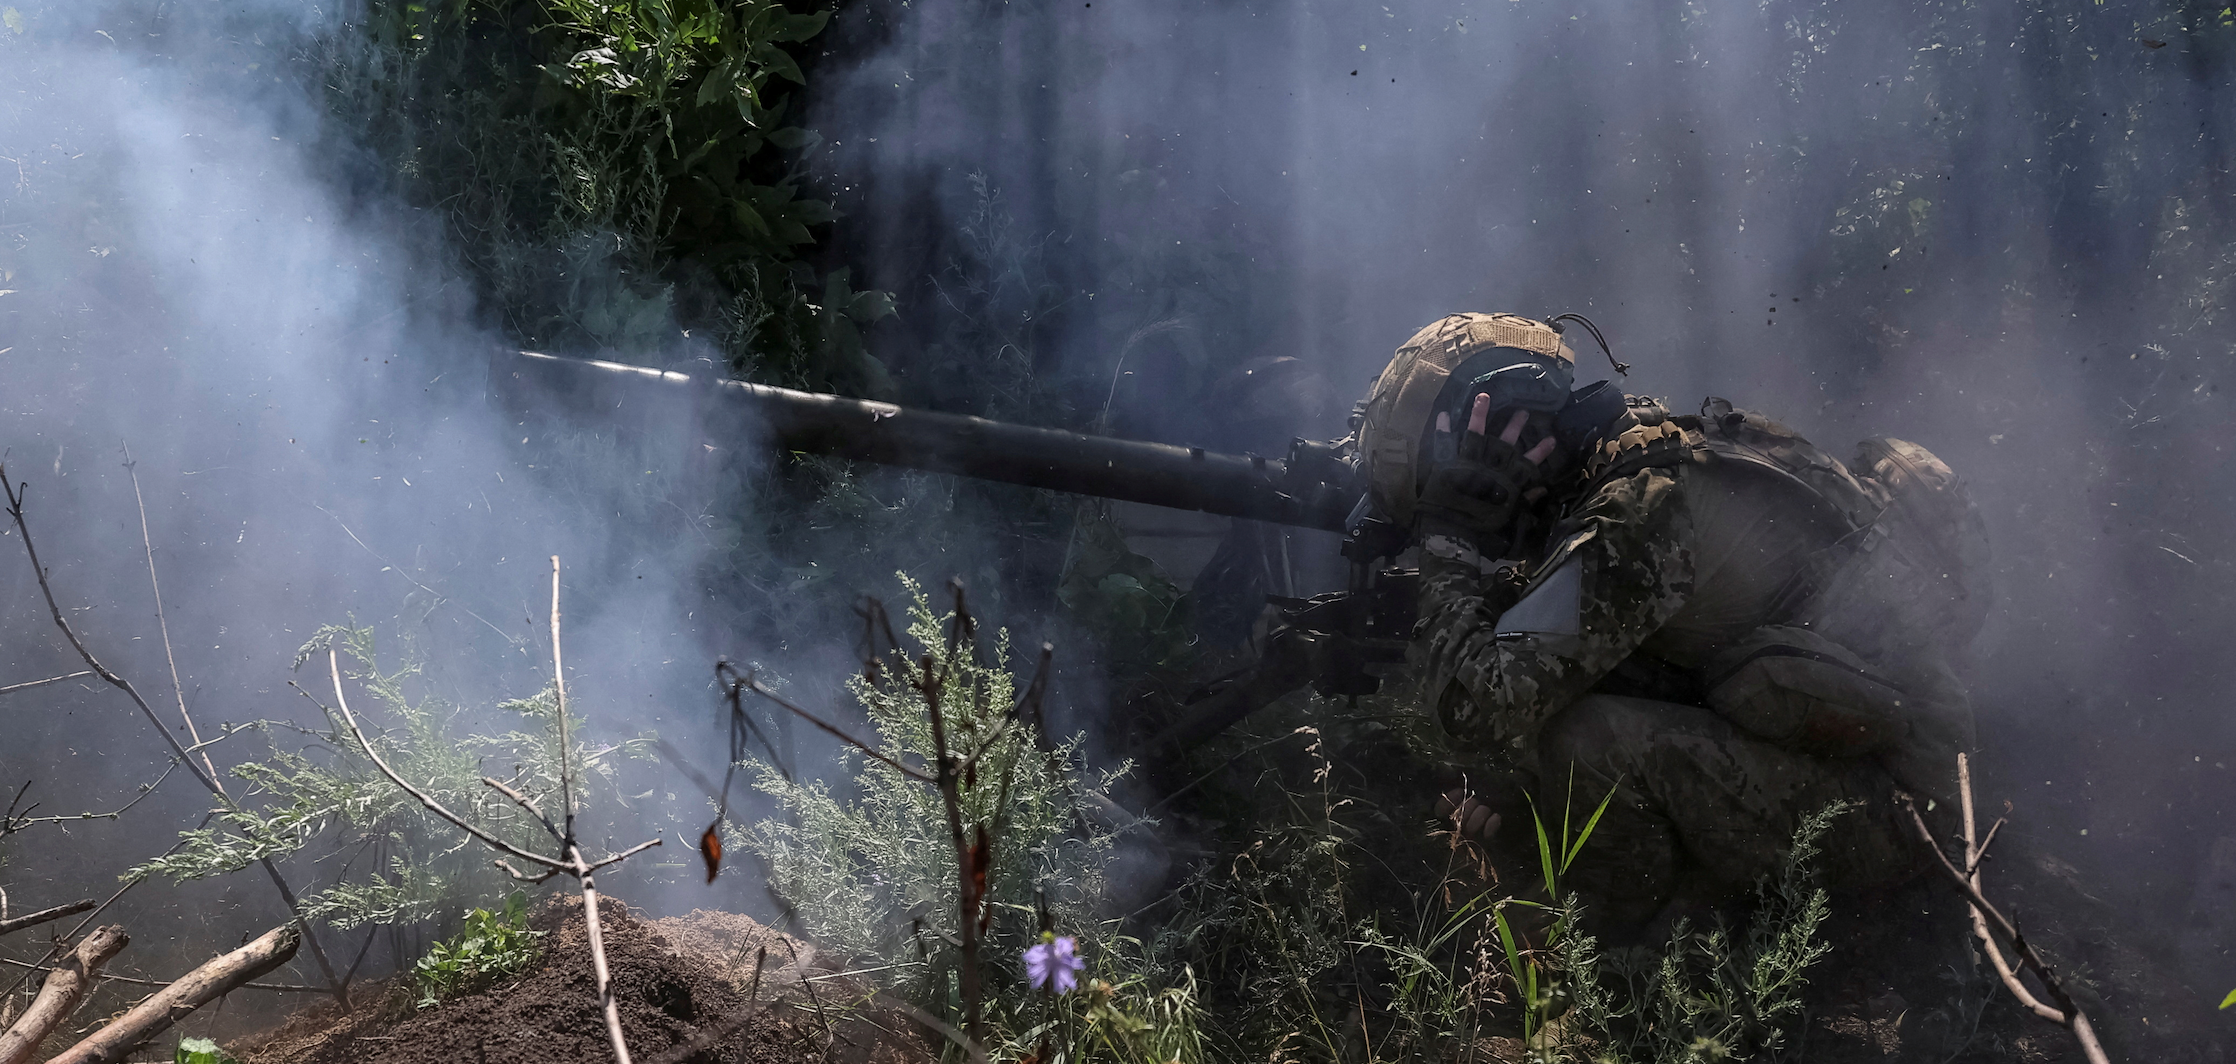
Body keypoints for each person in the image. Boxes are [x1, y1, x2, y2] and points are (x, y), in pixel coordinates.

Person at [1351, 312, 1990, 928]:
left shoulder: (1639, 511)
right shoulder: (1639, 452)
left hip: (1908, 811)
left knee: (1589, 740)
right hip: (1862, 755)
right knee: (1566, 704)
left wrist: (1447, 536)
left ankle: (1624, 953)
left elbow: (1479, 706)